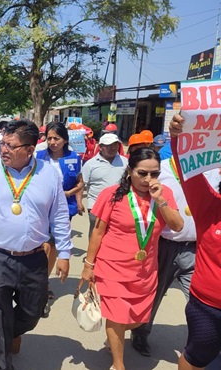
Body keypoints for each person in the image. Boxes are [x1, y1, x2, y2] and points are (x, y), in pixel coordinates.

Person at [0, 119, 73, 370]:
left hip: (34, 258)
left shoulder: (49, 174)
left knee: (33, 313)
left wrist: (64, 253)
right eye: (3, 143)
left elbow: (58, 215)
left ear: (30, 149)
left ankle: (9, 332)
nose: (4, 149)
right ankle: (2, 363)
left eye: (11, 146)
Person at [81, 147, 183, 370]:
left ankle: (114, 334)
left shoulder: (163, 193)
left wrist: (161, 200)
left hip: (145, 269)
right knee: (117, 316)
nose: (149, 179)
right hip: (112, 267)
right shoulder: (111, 194)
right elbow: (97, 232)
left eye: (154, 174)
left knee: (136, 318)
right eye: (142, 173)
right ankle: (119, 364)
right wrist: (89, 265)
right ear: (129, 171)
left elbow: (177, 226)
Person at [129, 147, 220, 357]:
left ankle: (202, 340)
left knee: (200, 301)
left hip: (197, 249)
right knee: (155, 292)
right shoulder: (163, 171)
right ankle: (141, 333)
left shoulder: (212, 170)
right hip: (164, 245)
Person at [169, 114, 221, 370]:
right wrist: (179, 137)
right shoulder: (210, 207)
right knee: (197, 357)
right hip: (208, 308)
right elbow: (189, 173)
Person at [35, 122, 84, 316]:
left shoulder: (74, 158)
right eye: (49, 138)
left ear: (65, 139)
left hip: (63, 209)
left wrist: (71, 194)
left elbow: (80, 183)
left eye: (57, 138)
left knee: (53, 247)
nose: (53, 142)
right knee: (44, 247)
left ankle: (43, 282)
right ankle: (40, 285)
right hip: (41, 209)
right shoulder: (39, 157)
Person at [82, 133, 128, 238]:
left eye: (115, 145)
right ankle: (92, 254)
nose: (113, 148)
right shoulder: (90, 164)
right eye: (109, 145)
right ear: (101, 147)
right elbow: (82, 184)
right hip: (96, 206)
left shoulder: (125, 162)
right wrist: (79, 202)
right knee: (95, 234)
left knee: (114, 235)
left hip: (119, 205)